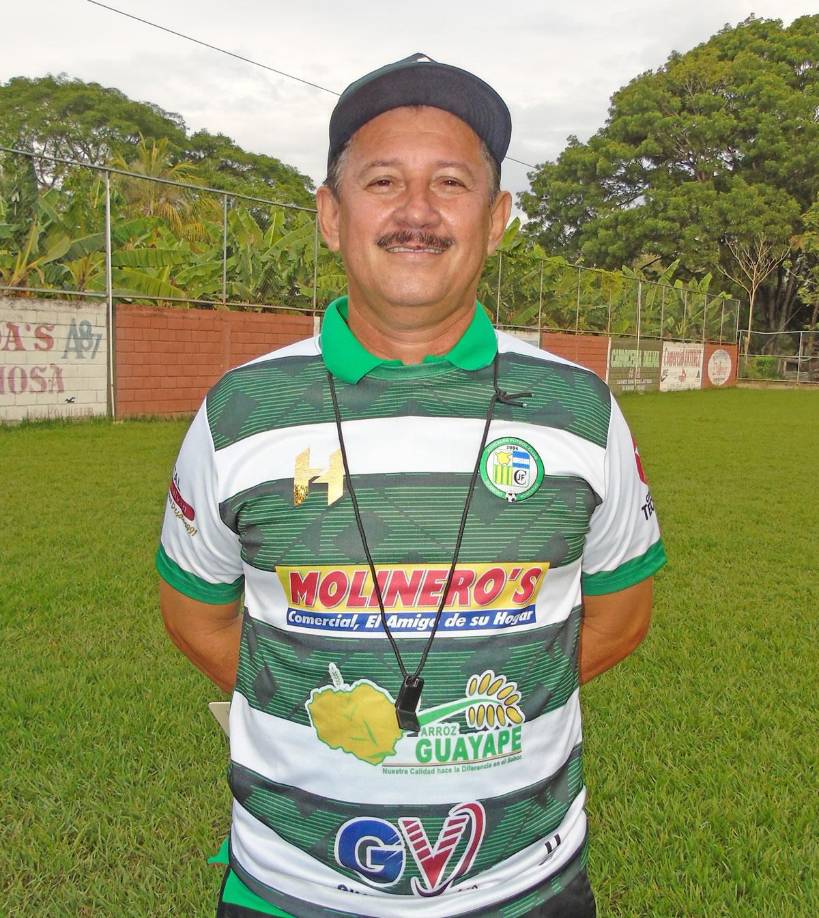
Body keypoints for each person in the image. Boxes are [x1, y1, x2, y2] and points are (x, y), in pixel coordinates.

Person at [157, 53, 666, 918]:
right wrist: (317, 707)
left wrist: (501, 694)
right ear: (330, 214)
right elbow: (197, 612)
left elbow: (621, 609)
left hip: (527, 886)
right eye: (384, 180)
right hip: (290, 887)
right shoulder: (241, 409)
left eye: (452, 183)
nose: (417, 213)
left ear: (497, 218)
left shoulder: (578, 409)